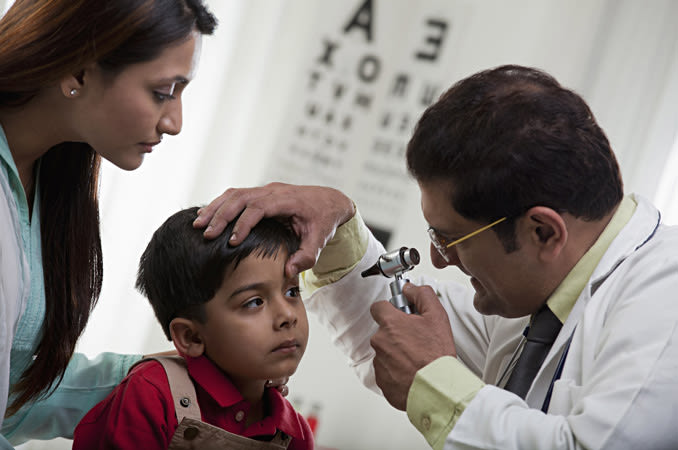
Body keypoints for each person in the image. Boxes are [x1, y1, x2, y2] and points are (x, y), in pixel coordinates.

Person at [193, 65, 678, 449]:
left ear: (542, 231)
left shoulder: (664, 299)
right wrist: (338, 225)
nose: (437, 259)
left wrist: (435, 384)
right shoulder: (537, 300)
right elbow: (399, 331)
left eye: (451, 238)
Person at [0, 0, 216, 447]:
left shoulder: (48, 180)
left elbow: (9, 399)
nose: (175, 122)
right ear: (78, 73)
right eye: (163, 91)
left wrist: (157, 384)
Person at [72, 207, 313, 449]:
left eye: (292, 292)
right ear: (191, 336)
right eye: (254, 302)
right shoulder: (150, 394)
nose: (287, 315)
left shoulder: (295, 432)